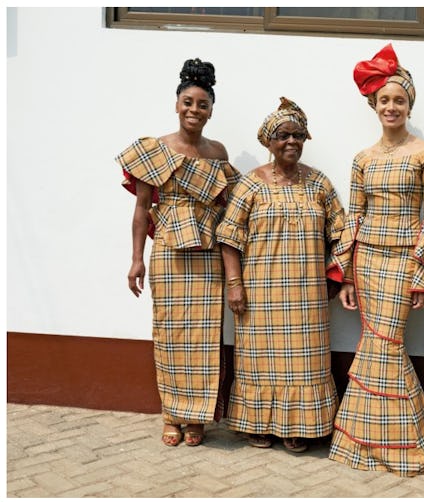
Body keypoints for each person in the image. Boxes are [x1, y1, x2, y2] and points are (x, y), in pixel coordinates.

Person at [327, 43, 424, 476]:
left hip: (402, 265)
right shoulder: (362, 159)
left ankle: (402, 447)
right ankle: (368, 446)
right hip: (368, 263)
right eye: (384, 101)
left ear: (409, 104)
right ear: (373, 106)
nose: (391, 107)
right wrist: (347, 279)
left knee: (387, 346)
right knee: (374, 345)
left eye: (399, 100)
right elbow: (353, 218)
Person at [117, 58, 242, 447]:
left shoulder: (217, 151)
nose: (194, 110)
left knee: (205, 336)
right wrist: (137, 258)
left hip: (207, 253)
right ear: (177, 104)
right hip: (169, 252)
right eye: (188, 102)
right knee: (170, 333)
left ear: (211, 111)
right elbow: (141, 208)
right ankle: (172, 414)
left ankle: (198, 418)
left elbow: (226, 208)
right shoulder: (156, 150)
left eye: (202, 104)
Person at [216, 97, 346, 454]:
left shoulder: (318, 183)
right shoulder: (250, 184)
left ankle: (300, 426)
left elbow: (342, 232)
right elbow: (229, 237)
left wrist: (335, 275)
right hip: (259, 294)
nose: (291, 142)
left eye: (298, 135)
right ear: (268, 142)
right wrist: (234, 284)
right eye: (283, 135)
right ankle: (259, 424)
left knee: (306, 362)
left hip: (306, 296)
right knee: (260, 363)